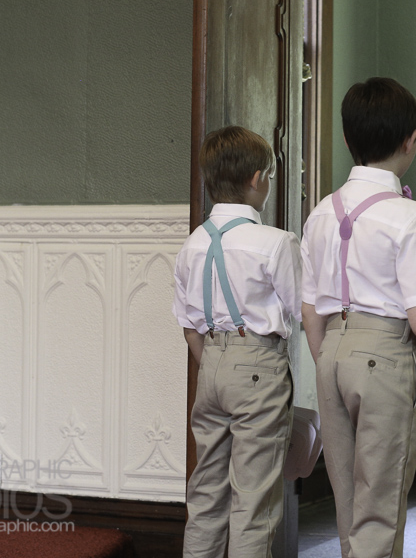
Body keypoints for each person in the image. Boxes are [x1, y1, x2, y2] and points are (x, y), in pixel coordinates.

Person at [300, 77, 416, 558]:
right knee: (379, 505)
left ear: (347, 139)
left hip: (330, 353)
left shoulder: (320, 214)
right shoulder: (411, 217)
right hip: (385, 358)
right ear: (411, 140)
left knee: (348, 500)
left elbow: (310, 307)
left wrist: (330, 355)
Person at [173, 125, 301, 558]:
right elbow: (304, 311)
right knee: (254, 500)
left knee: (206, 495)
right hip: (258, 366)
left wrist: (217, 361)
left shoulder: (192, 245)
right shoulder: (275, 243)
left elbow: (189, 327)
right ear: (257, 180)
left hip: (209, 364)